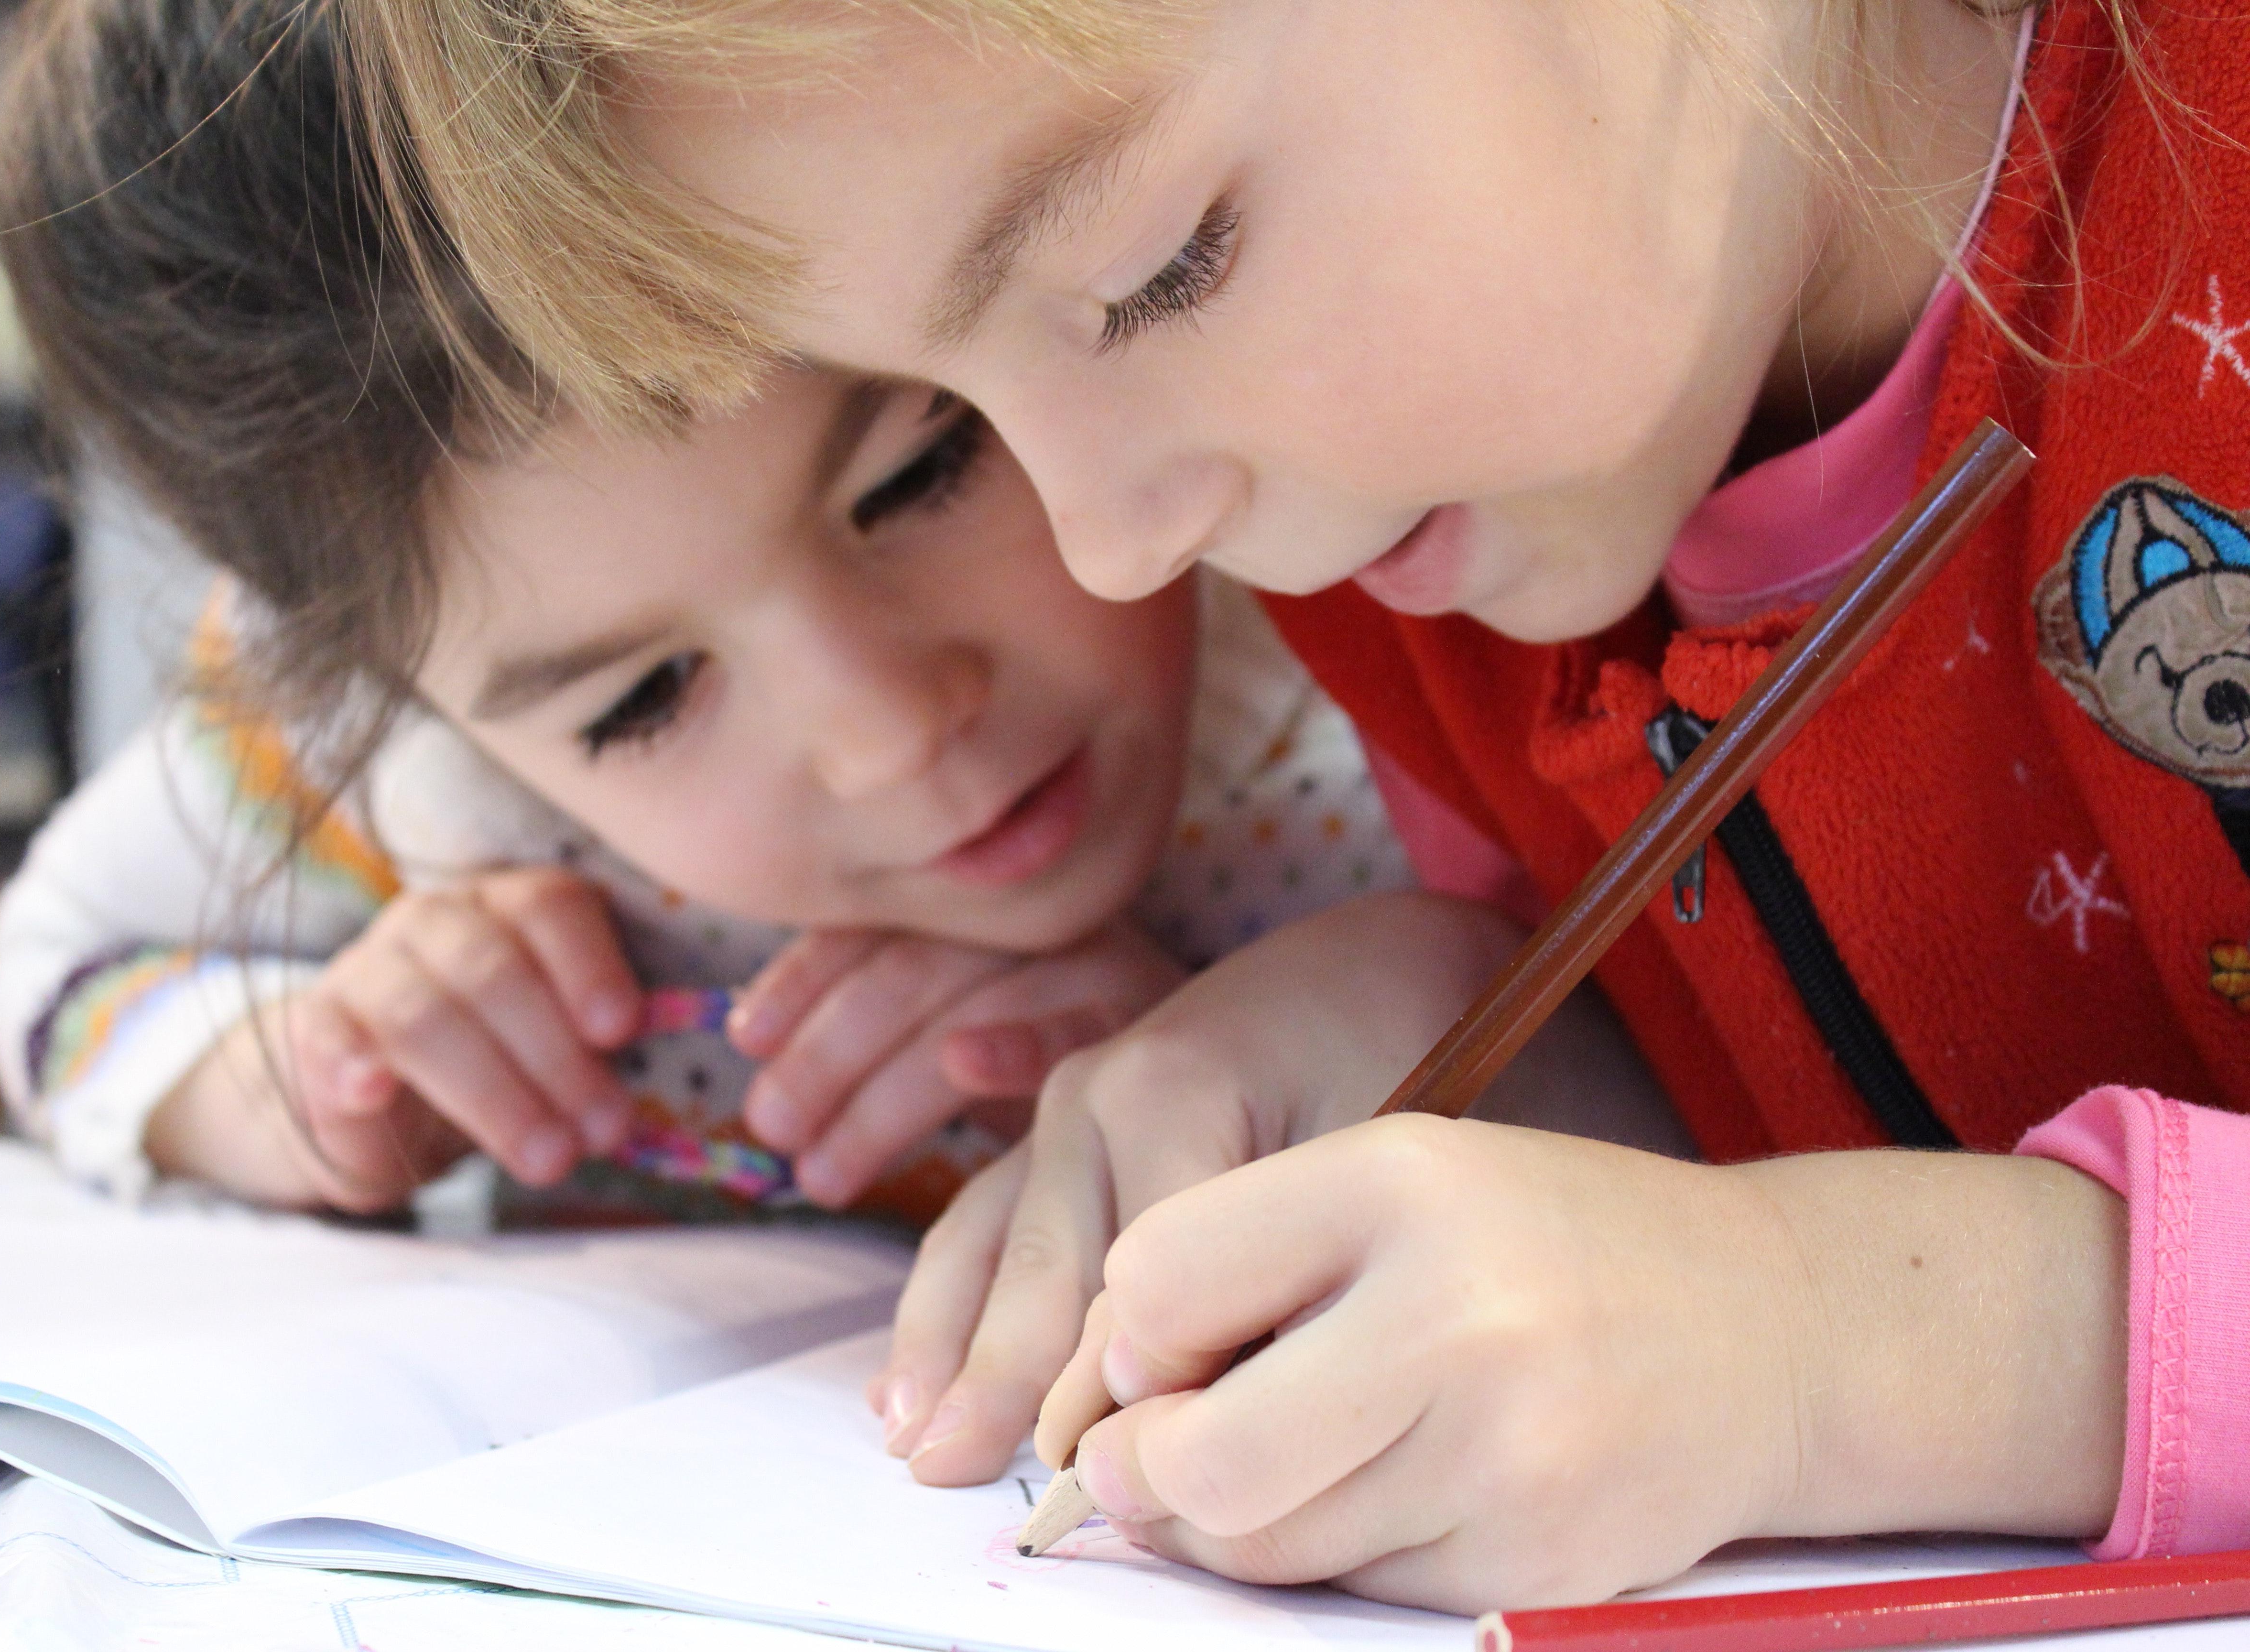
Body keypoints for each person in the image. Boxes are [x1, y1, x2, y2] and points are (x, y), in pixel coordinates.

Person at [334, 0, 2250, 1611]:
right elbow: (1853, 1091)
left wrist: (1833, 1349)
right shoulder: (1431, 554)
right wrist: (1479, 1029)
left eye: (1154, 269)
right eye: (955, 402)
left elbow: (1842, 1270)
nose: (1105, 543)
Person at [0, 0, 1662, 1258]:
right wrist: (294, 1086)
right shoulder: (407, 790)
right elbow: (55, 973)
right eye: (641, 702)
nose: (890, 728)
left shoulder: (1371, 578)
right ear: (396, 701)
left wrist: (1337, 1041)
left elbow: (1708, 1111)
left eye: (924, 469)